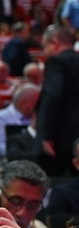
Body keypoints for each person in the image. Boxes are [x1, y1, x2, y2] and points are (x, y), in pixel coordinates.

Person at [36, 25, 79, 175]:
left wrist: (48, 136)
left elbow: (53, 95)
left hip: (61, 139)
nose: (44, 52)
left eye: (45, 46)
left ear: (55, 42)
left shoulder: (56, 62)